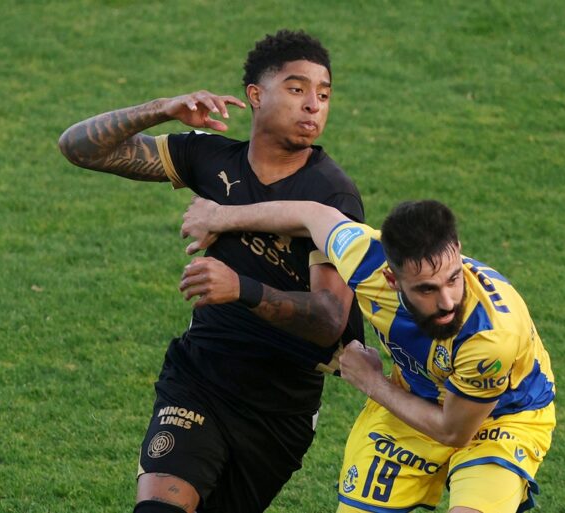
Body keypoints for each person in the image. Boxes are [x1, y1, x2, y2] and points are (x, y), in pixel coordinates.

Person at [57, 30, 365, 513]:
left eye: (324, 95)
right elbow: (79, 148)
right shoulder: (211, 158)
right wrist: (162, 108)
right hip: (198, 379)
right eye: (297, 89)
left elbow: (329, 319)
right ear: (255, 95)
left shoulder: (331, 196)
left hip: (277, 411)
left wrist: (240, 288)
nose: (313, 105)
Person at [180, 197, 557, 513]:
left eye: (454, 279)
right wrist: (219, 216)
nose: (447, 302)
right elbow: (311, 214)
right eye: (427, 289)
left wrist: (371, 382)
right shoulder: (366, 261)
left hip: (500, 420)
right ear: (392, 280)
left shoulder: (490, 337)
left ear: (457, 252)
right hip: (413, 402)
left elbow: (454, 431)